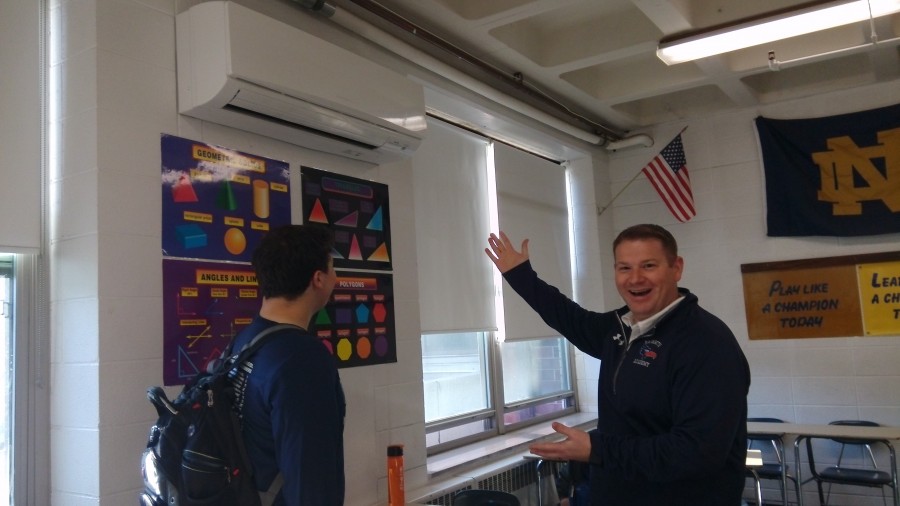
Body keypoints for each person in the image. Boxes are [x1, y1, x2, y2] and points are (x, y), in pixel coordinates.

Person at [485, 224, 750, 505]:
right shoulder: (620, 329)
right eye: (624, 268)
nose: (635, 279)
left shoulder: (706, 343)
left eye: (648, 265)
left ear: (676, 268)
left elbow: (697, 453)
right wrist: (521, 276)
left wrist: (597, 449)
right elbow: (569, 317)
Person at [229, 224, 346, 505]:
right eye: (332, 269)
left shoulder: (245, 342)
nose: (337, 279)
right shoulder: (302, 360)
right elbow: (312, 479)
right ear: (317, 279)